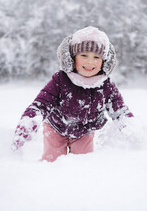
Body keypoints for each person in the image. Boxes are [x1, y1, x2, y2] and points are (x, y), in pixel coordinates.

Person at [11, 26, 133, 162]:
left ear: (104, 61)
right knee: (52, 161)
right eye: (84, 55)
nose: (90, 62)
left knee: (82, 163)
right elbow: (41, 104)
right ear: (72, 58)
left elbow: (120, 110)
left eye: (96, 57)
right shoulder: (61, 80)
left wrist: (129, 127)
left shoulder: (105, 85)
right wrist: (29, 122)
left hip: (84, 132)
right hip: (55, 127)